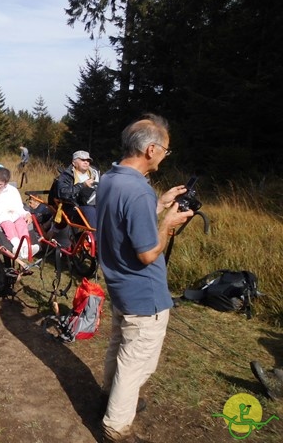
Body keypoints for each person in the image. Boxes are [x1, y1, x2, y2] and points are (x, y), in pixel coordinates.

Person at [96, 114, 194, 443]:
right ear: (151, 149)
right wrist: (167, 223)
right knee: (136, 362)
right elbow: (148, 253)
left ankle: (110, 397)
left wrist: (159, 204)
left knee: (120, 345)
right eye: (166, 149)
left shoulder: (111, 178)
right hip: (144, 293)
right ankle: (116, 426)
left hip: (120, 285)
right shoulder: (138, 191)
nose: (166, 155)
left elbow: (124, 224)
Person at [0, 167, 39, 261]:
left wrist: (26, 214)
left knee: (21, 222)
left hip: (13, 214)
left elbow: (19, 207)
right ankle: (16, 245)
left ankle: (26, 246)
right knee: (8, 223)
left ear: (6, 183)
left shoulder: (12, 190)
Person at [57, 150, 100, 229]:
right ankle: (96, 239)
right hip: (75, 206)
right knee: (91, 211)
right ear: (74, 163)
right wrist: (82, 185)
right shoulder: (67, 175)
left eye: (88, 160)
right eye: (83, 160)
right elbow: (62, 193)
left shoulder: (95, 173)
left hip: (95, 203)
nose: (86, 162)